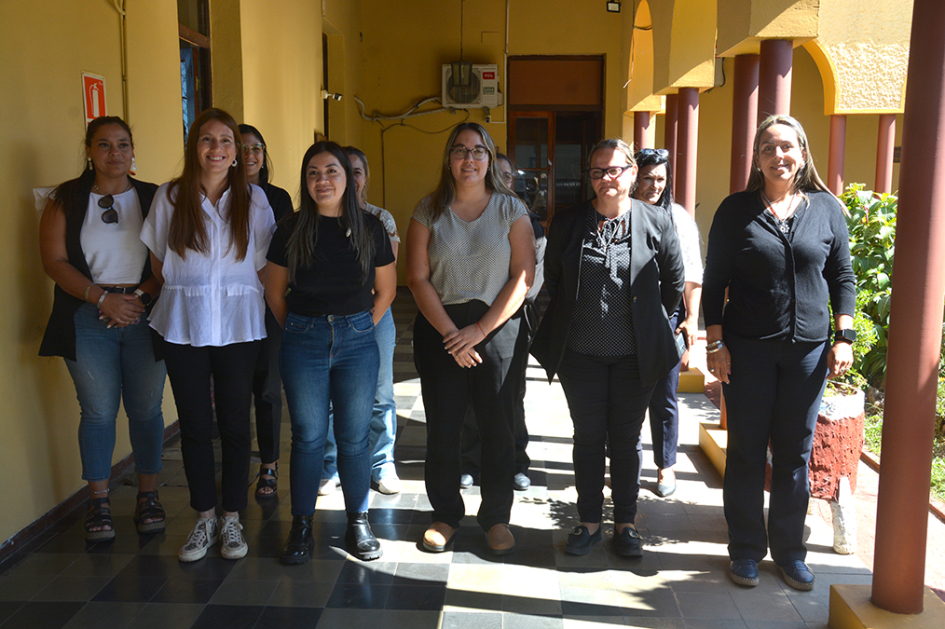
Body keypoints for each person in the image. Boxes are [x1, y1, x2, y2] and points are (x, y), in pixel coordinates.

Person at [702, 115, 855, 591]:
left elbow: (842, 276)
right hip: (747, 351)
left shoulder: (826, 209)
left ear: (802, 153)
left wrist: (844, 337)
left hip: (807, 354)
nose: (778, 155)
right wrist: (715, 343)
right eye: (767, 147)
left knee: (794, 452)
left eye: (786, 146)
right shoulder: (735, 211)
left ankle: (790, 553)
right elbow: (714, 281)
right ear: (757, 158)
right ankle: (746, 550)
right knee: (747, 451)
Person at [531, 138, 684, 558]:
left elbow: (673, 283)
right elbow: (555, 279)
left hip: (636, 357)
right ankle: (588, 522)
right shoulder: (570, 222)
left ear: (632, 173)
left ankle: (626, 524)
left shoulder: (656, 220)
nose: (606, 179)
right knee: (587, 436)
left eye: (614, 170)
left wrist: (649, 322)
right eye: (597, 172)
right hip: (581, 355)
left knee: (626, 438)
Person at [141, 108, 275, 562]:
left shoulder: (254, 200)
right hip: (185, 324)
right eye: (206, 139)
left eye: (225, 141)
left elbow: (263, 265)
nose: (216, 148)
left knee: (236, 424)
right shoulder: (170, 196)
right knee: (195, 426)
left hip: (239, 325)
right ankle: (204, 517)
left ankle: (232, 517)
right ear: (193, 147)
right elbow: (159, 262)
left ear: (236, 152)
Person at [406, 123, 535, 556]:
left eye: (478, 150)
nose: (469, 159)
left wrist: (479, 331)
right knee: (443, 428)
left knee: (498, 427)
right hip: (441, 329)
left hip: (497, 328)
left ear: (489, 158)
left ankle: (496, 517)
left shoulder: (510, 208)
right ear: (449, 159)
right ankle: (445, 516)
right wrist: (452, 334)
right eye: (460, 150)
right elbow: (417, 277)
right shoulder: (428, 210)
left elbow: (523, 276)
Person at [266, 142, 396, 565]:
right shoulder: (290, 228)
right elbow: (274, 291)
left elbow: (386, 289)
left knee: (354, 436)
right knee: (307, 436)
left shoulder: (371, 228)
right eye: (313, 173)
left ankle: (358, 521)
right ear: (305, 181)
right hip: (303, 339)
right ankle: (301, 524)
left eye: (331, 171)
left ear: (348, 177)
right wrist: (302, 329)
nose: (322, 180)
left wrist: (358, 328)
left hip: (357, 340)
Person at [39, 116, 167, 542]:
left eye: (123, 144)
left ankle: (148, 496)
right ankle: (99, 501)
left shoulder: (154, 197)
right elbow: (54, 261)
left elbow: (172, 259)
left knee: (146, 409)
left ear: (133, 150)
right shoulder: (66, 199)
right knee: (97, 412)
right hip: (86, 315)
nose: (115, 153)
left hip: (145, 313)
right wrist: (102, 299)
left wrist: (139, 298)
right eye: (104, 145)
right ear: (89, 151)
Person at [319, 145, 402, 496]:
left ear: (365, 178)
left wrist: (368, 321)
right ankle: (330, 465)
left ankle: (382, 463)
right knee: (330, 394)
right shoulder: (317, 217)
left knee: (380, 392)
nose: (352, 179)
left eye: (358, 172)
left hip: (375, 314)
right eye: (345, 170)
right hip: (331, 318)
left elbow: (386, 277)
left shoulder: (380, 219)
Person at [459, 153, 545, 492]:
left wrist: (496, 312)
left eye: (508, 176)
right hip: (469, 320)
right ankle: (470, 461)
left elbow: (530, 281)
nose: (502, 180)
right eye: (497, 174)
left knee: (510, 398)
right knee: (469, 397)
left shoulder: (527, 220)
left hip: (510, 322)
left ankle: (516, 463)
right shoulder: (469, 216)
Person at [632, 148, 703, 498]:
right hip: (625, 317)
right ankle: (625, 463)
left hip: (667, 317)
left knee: (664, 396)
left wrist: (690, 318)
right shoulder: (623, 213)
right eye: (647, 177)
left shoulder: (677, 217)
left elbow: (693, 272)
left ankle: (666, 465)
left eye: (661, 179)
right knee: (627, 396)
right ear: (634, 177)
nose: (654, 185)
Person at [238, 124, 293, 499]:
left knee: (269, 388)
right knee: (235, 389)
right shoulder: (217, 197)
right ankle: (238, 461)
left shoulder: (277, 197)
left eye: (257, 147)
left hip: (269, 303)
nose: (251, 155)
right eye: (242, 148)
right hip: (229, 307)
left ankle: (269, 465)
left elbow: (286, 250)